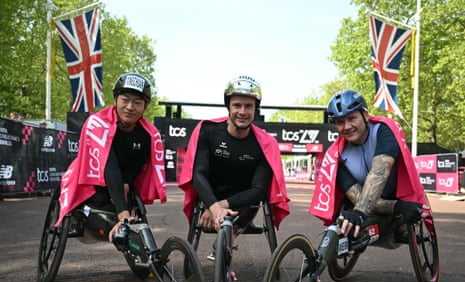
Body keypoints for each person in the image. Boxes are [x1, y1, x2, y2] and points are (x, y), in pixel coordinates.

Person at [55, 72, 166, 242]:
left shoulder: (148, 135)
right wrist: (122, 212)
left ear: (145, 107)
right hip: (92, 179)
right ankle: (120, 215)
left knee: (129, 192)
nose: (130, 107)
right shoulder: (97, 123)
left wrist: (126, 187)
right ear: (115, 100)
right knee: (108, 163)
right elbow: (107, 163)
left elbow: (133, 169)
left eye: (137, 103)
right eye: (125, 100)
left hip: (121, 183)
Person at [310, 89, 429, 244]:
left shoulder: (384, 131)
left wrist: (359, 212)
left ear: (365, 115)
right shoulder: (336, 155)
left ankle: (400, 226)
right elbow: (359, 197)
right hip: (371, 203)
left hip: (394, 192)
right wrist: (397, 207)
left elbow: (379, 173)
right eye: (340, 122)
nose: (346, 127)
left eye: (352, 118)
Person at [179, 75, 289, 240]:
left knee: (253, 197)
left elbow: (259, 190)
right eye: (237, 105)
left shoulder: (266, 144)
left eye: (248, 106)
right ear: (228, 107)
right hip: (210, 196)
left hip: (244, 203)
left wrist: (219, 207)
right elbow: (198, 174)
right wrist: (213, 205)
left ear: (255, 109)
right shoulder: (207, 130)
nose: (243, 112)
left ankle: (229, 236)